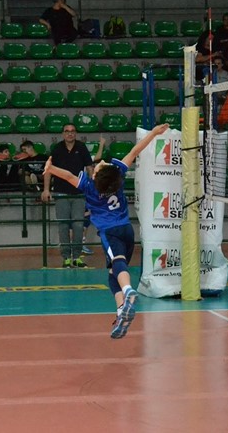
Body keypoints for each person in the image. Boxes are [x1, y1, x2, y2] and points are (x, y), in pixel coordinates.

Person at [44, 123, 170, 339]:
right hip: (127, 230)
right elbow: (135, 151)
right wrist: (154, 133)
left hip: (110, 232)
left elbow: (68, 176)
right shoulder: (116, 175)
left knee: (117, 264)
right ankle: (121, 311)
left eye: (99, 166)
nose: (99, 163)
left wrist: (51, 168)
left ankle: (128, 292)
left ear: (95, 176)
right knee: (112, 272)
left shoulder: (89, 186)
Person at [41, 124, 93, 268]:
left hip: (79, 193)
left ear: (75, 133)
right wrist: (46, 190)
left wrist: (92, 187)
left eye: (72, 131)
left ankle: (77, 257)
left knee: (78, 225)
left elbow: (89, 168)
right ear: (63, 134)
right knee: (63, 225)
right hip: (61, 193)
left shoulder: (81, 147)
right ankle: (66, 258)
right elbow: (49, 170)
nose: (70, 134)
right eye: (67, 131)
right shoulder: (57, 148)